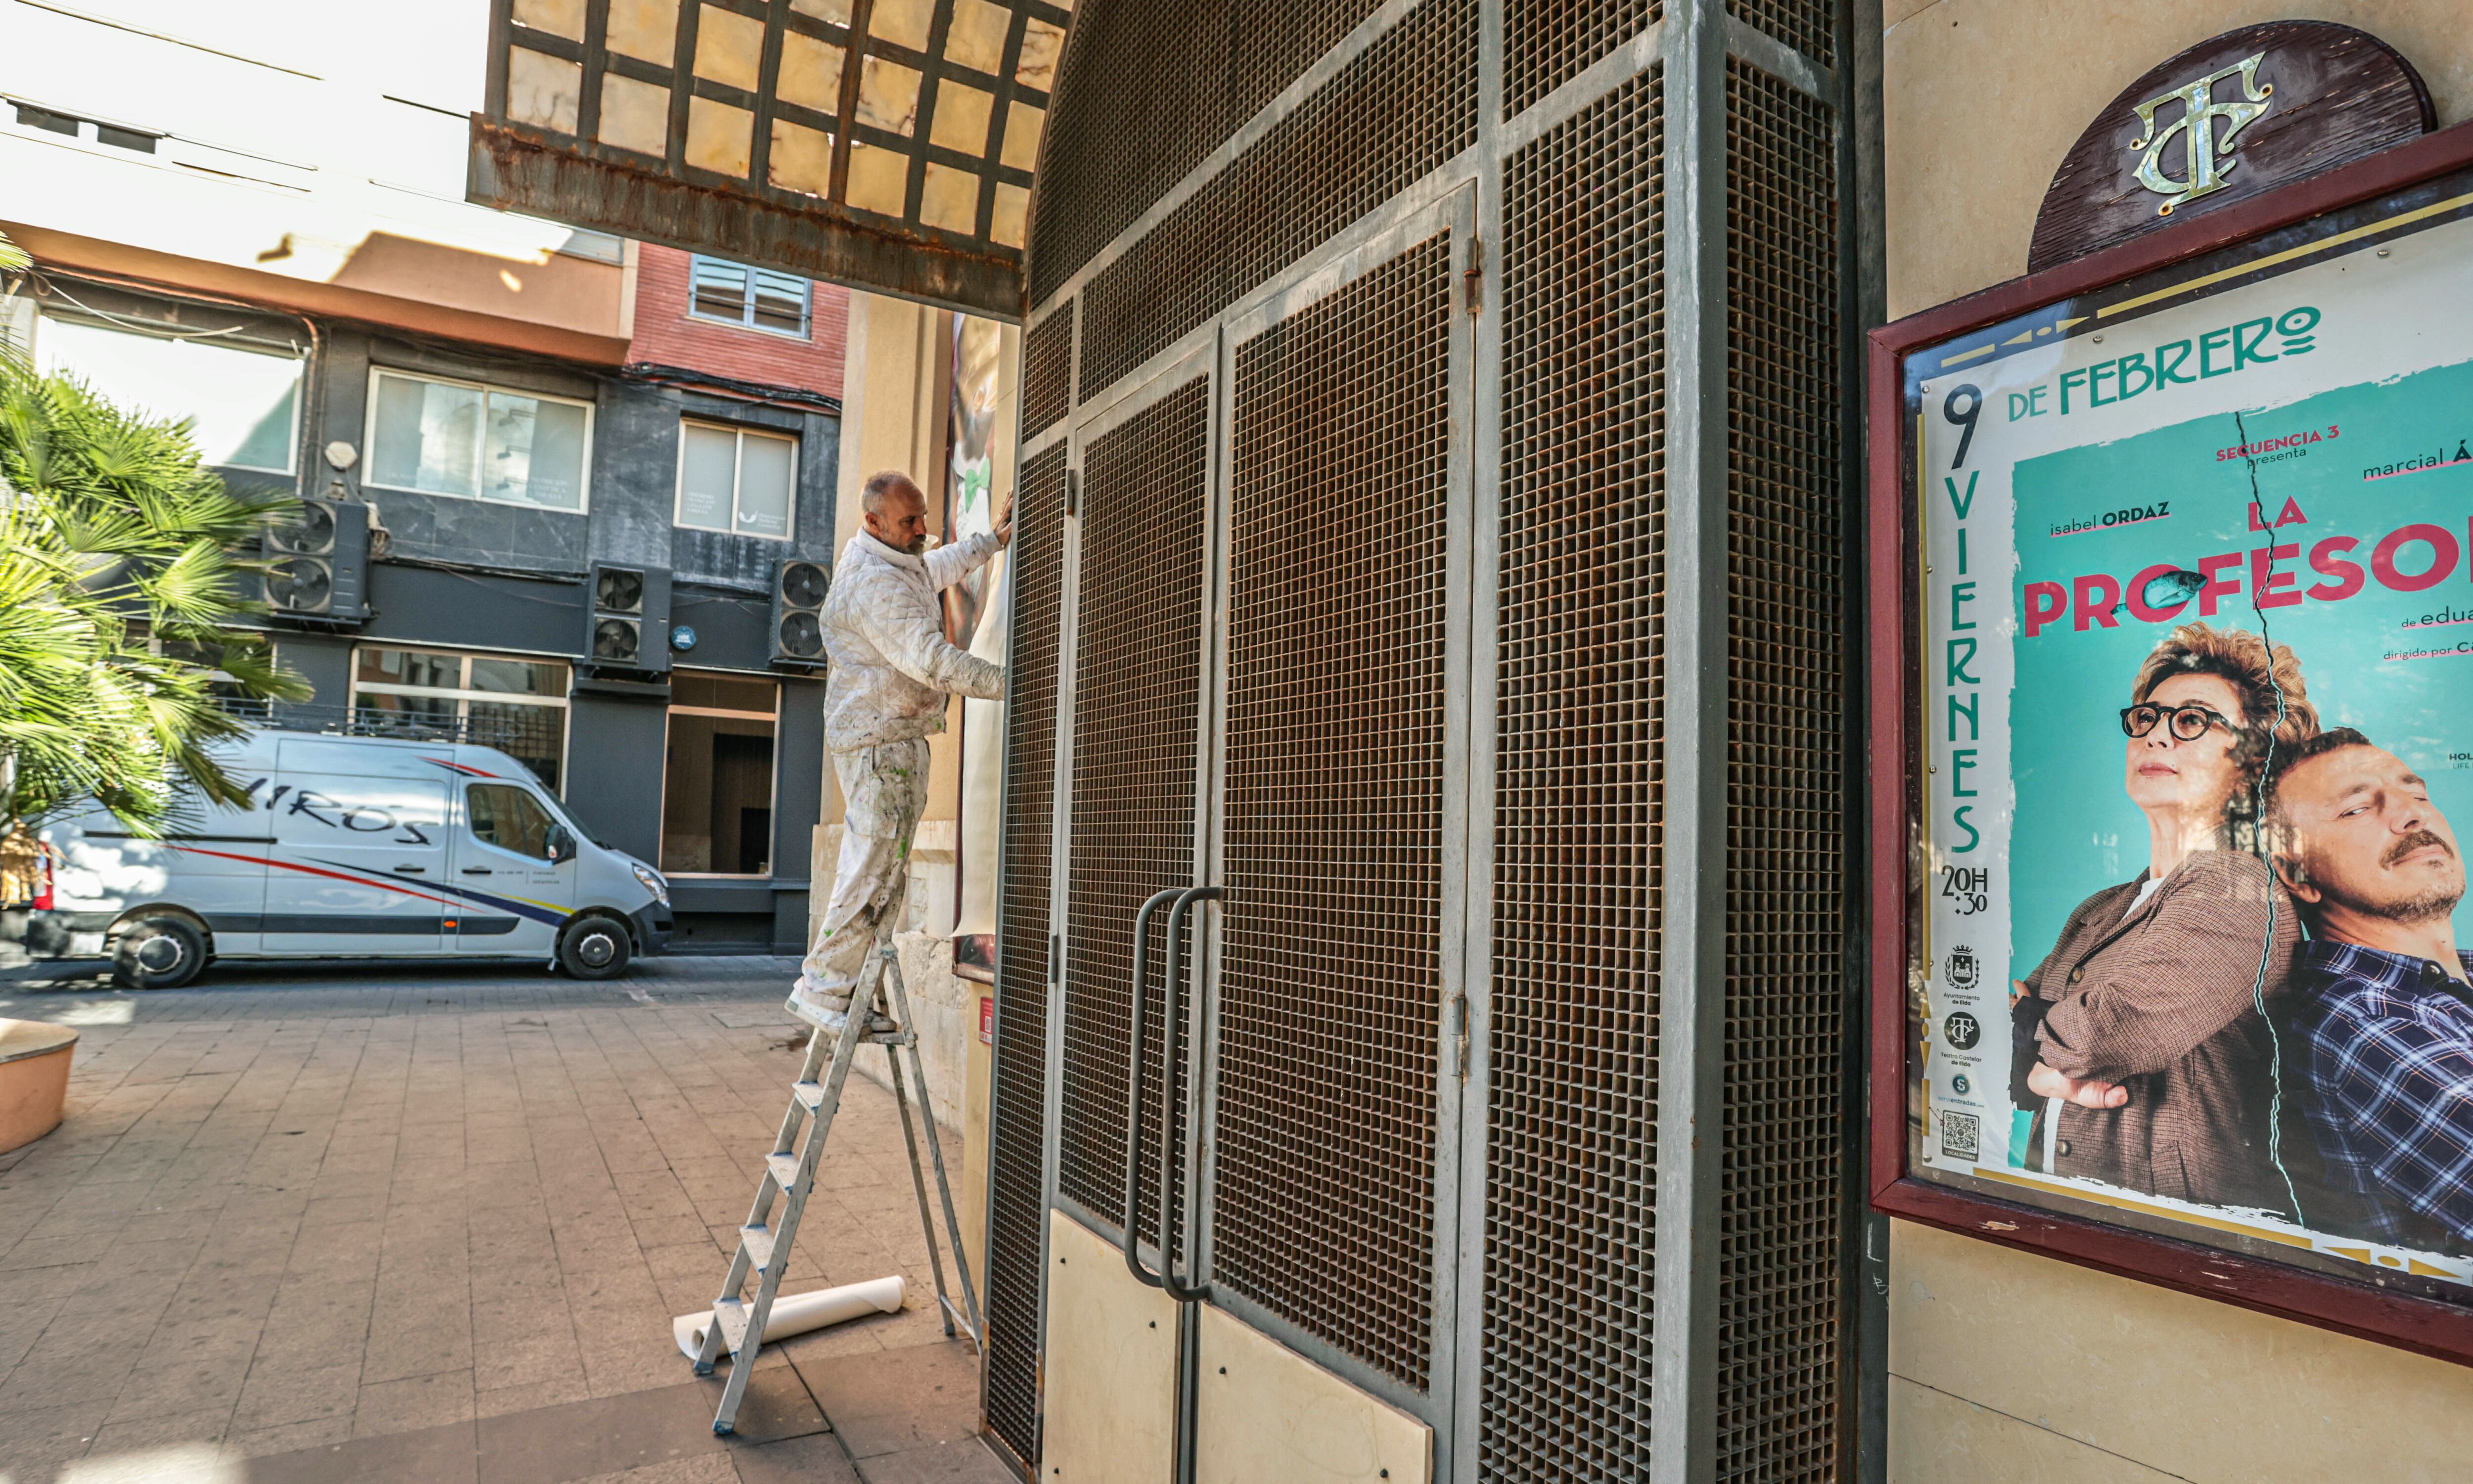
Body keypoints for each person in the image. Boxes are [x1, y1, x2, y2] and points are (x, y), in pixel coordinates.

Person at [2008, 622, 2317, 1211]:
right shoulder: (2099, 908)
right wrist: (2032, 1053)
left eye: (2192, 720)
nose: (2155, 737)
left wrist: (2034, 1047)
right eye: (2146, 718)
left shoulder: (2242, 887)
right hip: (2057, 1220)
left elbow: (2098, 1034)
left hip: (2176, 1243)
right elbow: (2005, 1033)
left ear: (2251, 764)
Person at [787, 470, 1011, 1033]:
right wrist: (1017, 683)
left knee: (884, 870)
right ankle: (825, 991)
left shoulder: (890, 558)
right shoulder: (874, 586)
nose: (922, 530)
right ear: (873, 521)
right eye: (910, 521)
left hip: (888, 737)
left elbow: (930, 569)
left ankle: (854, 993)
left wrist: (990, 543)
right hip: (878, 743)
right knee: (871, 869)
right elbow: (933, 661)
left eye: (922, 517)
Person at [2267, 729, 2473, 1250]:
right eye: (2357, 808)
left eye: (2418, 795)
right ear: (2296, 874)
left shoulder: (2454, 978)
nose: (2412, 816)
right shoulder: (2363, 1026)